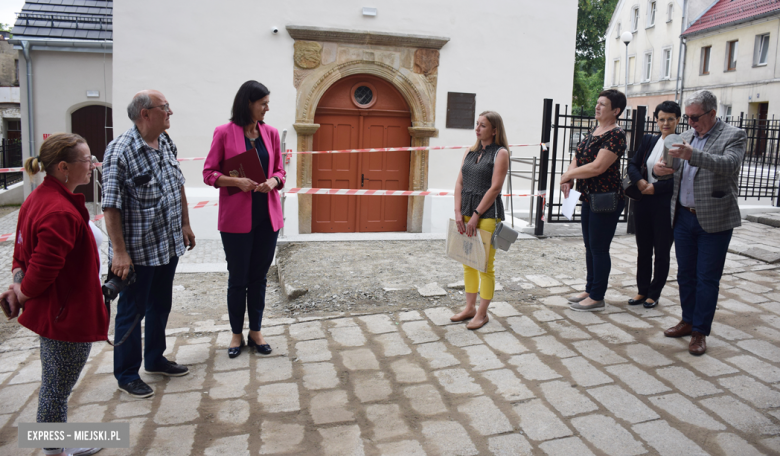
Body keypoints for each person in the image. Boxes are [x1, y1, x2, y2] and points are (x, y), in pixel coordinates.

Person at [2, 133, 106, 456]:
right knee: (55, 390)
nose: (93, 165)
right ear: (63, 167)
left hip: (56, 313)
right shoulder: (58, 210)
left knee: (53, 384)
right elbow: (41, 269)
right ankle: (54, 451)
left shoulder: (38, 197)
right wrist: (23, 291)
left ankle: (55, 444)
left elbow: (20, 256)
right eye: (87, 160)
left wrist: (18, 287)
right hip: (66, 316)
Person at [102, 90, 196, 398]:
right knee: (132, 311)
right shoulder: (120, 152)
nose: (170, 112)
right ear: (145, 113)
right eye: (165, 108)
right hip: (138, 252)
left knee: (161, 305)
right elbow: (111, 207)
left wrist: (185, 223)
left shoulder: (166, 142)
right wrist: (119, 252)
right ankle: (127, 374)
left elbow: (177, 184)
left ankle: (155, 359)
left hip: (167, 245)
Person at [653, 90, 746, 356]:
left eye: (694, 117)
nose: (690, 123)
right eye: (689, 118)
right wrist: (662, 170)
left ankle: (699, 332)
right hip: (682, 216)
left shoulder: (733, 135)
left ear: (712, 113)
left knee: (707, 278)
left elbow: (729, 165)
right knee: (685, 275)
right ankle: (687, 320)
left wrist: (692, 155)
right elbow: (674, 169)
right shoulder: (686, 136)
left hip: (714, 219)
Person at [203, 81, 285, 357]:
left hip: (267, 218)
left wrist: (273, 181)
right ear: (247, 103)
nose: (267, 108)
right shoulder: (224, 133)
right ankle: (237, 334)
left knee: (259, 277)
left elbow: (280, 171)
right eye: (263, 103)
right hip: (237, 220)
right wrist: (236, 181)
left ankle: (256, 331)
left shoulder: (271, 133)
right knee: (238, 278)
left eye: (267, 103)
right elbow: (209, 173)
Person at [561, 89, 627, 312]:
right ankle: (590, 289)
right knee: (590, 246)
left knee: (599, 248)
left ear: (616, 110)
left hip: (606, 199)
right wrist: (569, 177)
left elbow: (599, 166)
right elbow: (578, 156)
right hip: (589, 197)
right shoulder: (595, 130)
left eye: (603, 104)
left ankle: (598, 296)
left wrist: (569, 175)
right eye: (597, 103)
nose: (597, 107)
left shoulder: (616, 134)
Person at [450, 111, 510, 330]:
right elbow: (459, 183)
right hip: (465, 210)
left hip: (486, 214)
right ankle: (469, 308)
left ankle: (482, 314)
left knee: (484, 266)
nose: (477, 128)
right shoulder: (470, 151)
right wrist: (458, 212)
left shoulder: (500, 153)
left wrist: (475, 215)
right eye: (477, 124)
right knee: (467, 262)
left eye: (483, 125)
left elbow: (495, 188)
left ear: (494, 130)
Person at [626, 101, 681, 309]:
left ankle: (654, 293)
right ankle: (642, 290)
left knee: (662, 250)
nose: (665, 123)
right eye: (661, 119)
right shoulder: (649, 140)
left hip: (665, 203)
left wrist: (656, 189)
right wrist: (640, 182)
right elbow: (632, 164)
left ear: (677, 119)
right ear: (656, 120)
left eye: (670, 119)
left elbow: (683, 179)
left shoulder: (681, 144)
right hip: (643, 201)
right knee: (643, 249)